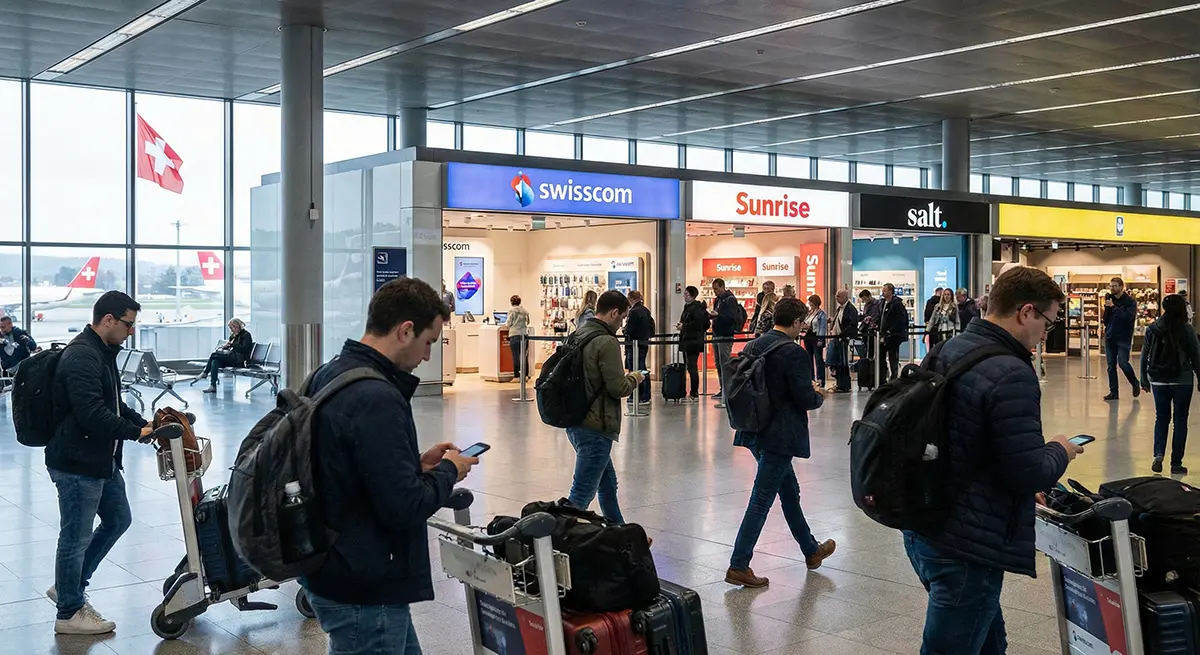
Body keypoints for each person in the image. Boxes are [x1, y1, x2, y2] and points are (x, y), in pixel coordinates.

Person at [905, 266, 1082, 654]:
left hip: (924, 523)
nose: (1044, 334)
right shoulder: (1012, 372)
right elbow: (1028, 471)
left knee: (987, 642)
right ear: (1027, 313)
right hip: (968, 544)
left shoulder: (946, 350)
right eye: (1048, 323)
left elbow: (964, 441)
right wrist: (1060, 450)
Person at [302, 277, 478, 655]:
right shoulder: (376, 396)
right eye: (428, 343)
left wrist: (415, 464)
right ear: (406, 330)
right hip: (364, 582)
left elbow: (346, 468)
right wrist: (449, 470)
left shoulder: (332, 372)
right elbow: (405, 506)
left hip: (332, 564)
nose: (428, 356)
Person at [46, 291, 153, 635]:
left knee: (118, 519)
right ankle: (69, 612)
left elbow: (113, 404)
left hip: (100, 460)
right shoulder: (82, 356)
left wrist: (144, 424)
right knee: (75, 537)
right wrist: (135, 434)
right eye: (128, 324)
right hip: (78, 463)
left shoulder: (102, 352)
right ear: (108, 320)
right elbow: (93, 415)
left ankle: (69, 585)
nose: (131, 331)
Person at [725, 298, 836, 588]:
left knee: (789, 491)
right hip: (780, 435)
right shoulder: (793, 352)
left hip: (753, 429)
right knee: (762, 497)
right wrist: (819, 395)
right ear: (798, 322)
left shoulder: (754, 344)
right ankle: (738, 563)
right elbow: (803, 397)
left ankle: (811, 550)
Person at [566, 290, 643, 522]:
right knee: (580, 495)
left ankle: (620, 534)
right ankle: (557, 542)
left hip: (575, 419)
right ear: (614, 312)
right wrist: (635, 378)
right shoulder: (606, 342)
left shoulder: (578, 333)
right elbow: (617, 387)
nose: (621, 325)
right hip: (596, 425)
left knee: (607, 485)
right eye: (622, 318)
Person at [1141, 294, 1200, 475]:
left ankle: (1158, 455)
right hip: (1182, 380)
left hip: (1158, 379)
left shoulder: (1153, 328)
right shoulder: (1187, 329)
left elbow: (1145, 354)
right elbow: (1196, 356)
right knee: (1180, 420)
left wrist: (1144, 379)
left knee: (1162, 418)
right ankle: (1176, 463)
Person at [1103, 277, 1140, 401]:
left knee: (1123, 363)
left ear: (1121, 287)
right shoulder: (1110, 299)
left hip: (1124, 338)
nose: (1112, 288)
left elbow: (1128, 318)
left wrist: (1114, 307)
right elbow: (1105, 320)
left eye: (1114, 286)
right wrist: (1107, 308)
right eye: (1110, 286)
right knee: (1110, 366)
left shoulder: (1130, 302)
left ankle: (1135, 383)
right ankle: (1114, 392)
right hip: (1110, 337)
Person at [197, 318, 254, 393]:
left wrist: (233, 344)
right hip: (232, 358)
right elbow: (233, 347)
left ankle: (205, 372)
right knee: (215, 361)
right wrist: (227, 346)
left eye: (232, 328)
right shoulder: (233, 336)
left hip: (239, 360)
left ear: (237, 326)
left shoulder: (246, 335)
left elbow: (245, 349)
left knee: (214, 355)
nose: (231, 330)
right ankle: (212, 386)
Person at [710, 279, 741, 408]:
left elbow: (732, 318)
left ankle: (728, 390)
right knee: (718, 363)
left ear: (723, 287)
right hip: (717, 334)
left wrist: (719, 315)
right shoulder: (718, 300)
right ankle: (723, 388)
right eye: (714, 289)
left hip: (725, 335)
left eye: (717, 289)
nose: (715, 291)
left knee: (725, 363)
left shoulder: (729, 299)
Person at [677, 286, 710, 403]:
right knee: (689, 366)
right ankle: (687, 392)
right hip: (687, 340)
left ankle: (694, 393)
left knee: (692, 367)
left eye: (687, 294)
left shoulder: (696, 309)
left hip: (693, 341)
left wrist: (684, 326)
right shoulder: (689, 307)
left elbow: (699, 324)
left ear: (692, 295)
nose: (685, 297)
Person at [623, 290, 655, 405]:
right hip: (643, 343)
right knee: (642, 368)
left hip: (634, 344)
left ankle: (638, 395)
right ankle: (646, 395)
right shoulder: (645, 310)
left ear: (631, 299)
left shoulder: (634, 312)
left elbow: (629, 329)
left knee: (635, 369)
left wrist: (624, 330)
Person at [826, 289, 859, 393]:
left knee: (843, 363)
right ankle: (839, 383)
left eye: (838, 296)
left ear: (845, 297)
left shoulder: (851, 309)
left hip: (843, 339)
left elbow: (853, 324)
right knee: (836, 361)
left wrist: (843, 334)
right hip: (836, 338)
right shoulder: (839, 309)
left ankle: (844, 385)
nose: (836, 298)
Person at [879, 284, 909, 382]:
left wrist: (892, 330)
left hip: (893, 336)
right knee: (881, 356)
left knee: (893, 357)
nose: (883, 292)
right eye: (882, 291)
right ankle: (882, 377)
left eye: (885, 291)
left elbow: (901, 319)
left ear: (891, 291)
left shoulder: (897, 304)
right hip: (882, 335)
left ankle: (894, 377)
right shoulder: (882, 303)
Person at [801, 295, 827, 387]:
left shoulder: (821, 314)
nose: (809, 303)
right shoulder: (809, 313)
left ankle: (820, 380)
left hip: (816, 338)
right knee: (809, 359)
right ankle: (811, 379)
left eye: (811, 301)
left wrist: (821, 339)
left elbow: (822, 327)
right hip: (808, 338)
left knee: (819, 359)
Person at [505, 295, 531, 382]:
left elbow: (508, 323)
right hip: (524, 334)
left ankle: (516, 376)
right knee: (524, 356)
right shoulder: (525, 311)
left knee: (516, 356)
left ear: (511, 302)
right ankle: (526, 375)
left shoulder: (511, 311)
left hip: (514, 334)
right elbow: (528, 321)